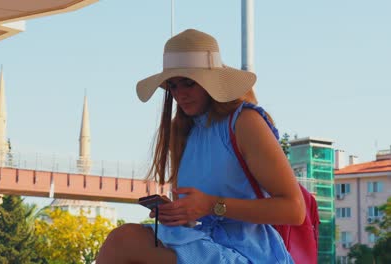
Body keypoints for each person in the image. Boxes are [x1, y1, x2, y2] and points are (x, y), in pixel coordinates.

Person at [96, 29, 305, 264]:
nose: (180, 95)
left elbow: (294, 210)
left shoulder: (245, 122)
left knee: (124, 241)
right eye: (173, 86)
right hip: (202, 243)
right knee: (122, 241)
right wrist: (178, 214)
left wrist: (212, 205)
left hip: (250, 254)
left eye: (188, 83)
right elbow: (197, 212)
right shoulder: (183, 130)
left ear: (211, 83)